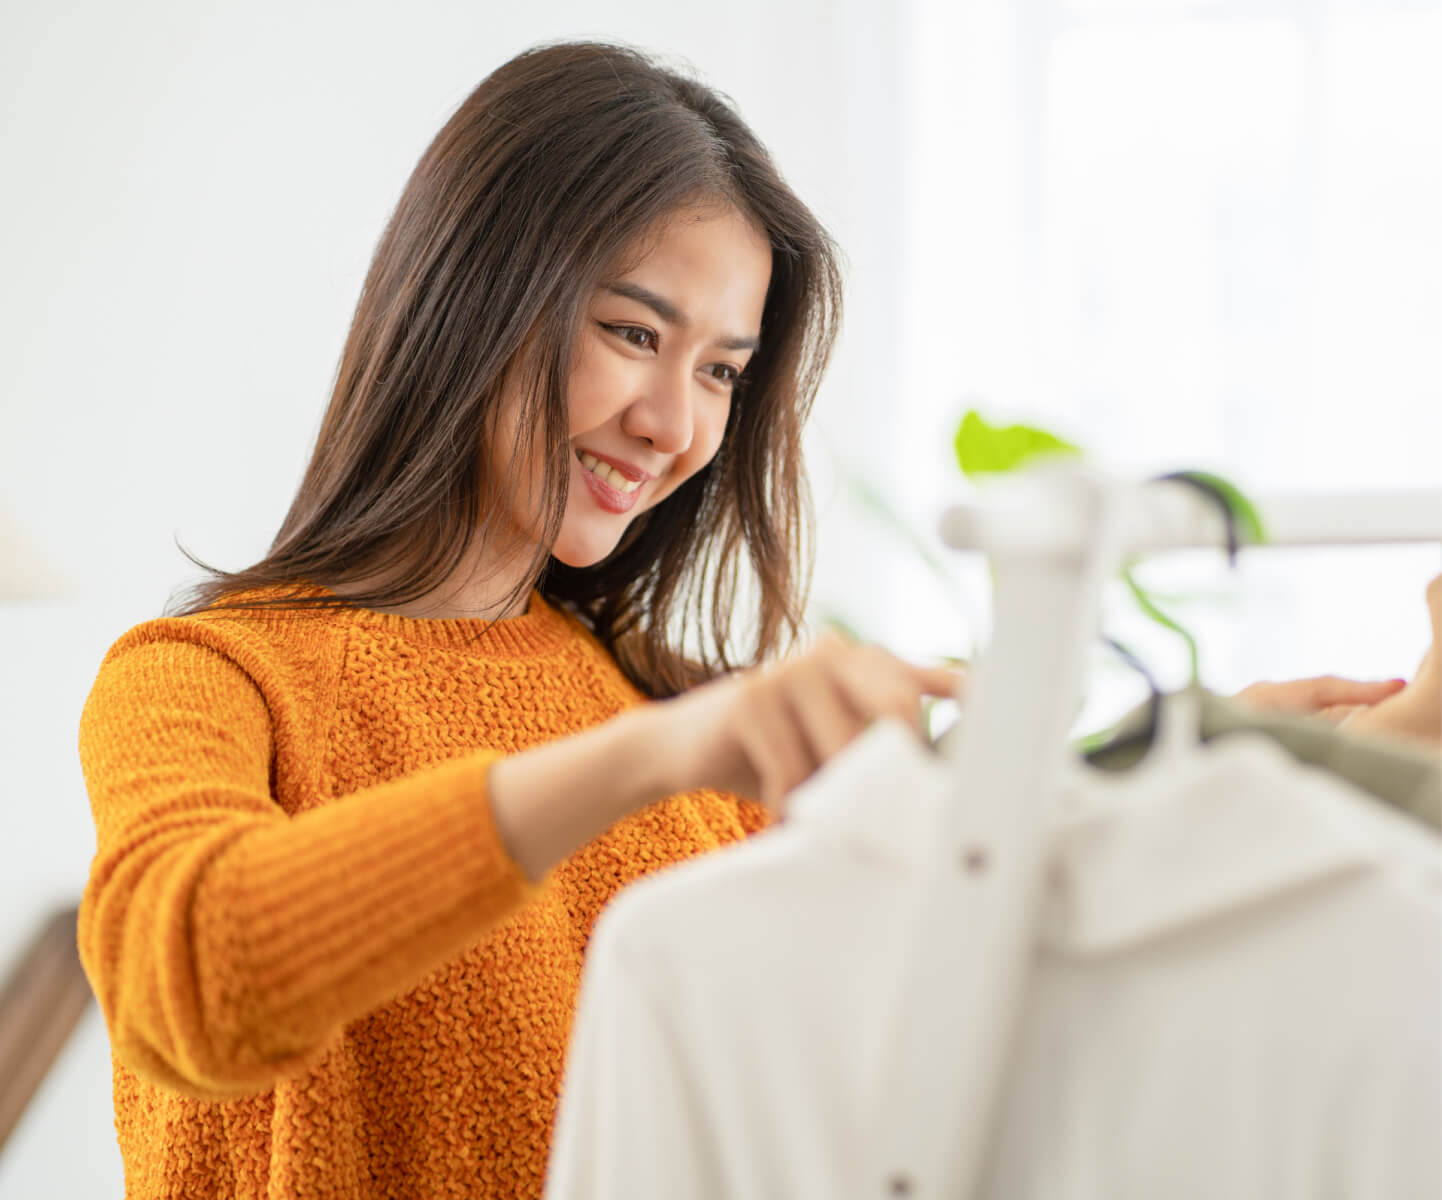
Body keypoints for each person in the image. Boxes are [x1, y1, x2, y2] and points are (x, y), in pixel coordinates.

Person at [74, 40, 1435, 1200]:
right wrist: (655, 757)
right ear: (470, 297)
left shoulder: (658, 712)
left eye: (720, 369)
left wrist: (1216, 759)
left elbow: (934, 930)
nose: (671, 426)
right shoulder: (211, 677)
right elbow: (188, 975)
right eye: (629, 332)